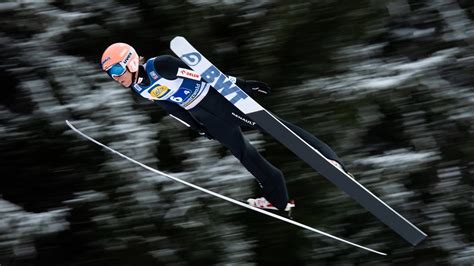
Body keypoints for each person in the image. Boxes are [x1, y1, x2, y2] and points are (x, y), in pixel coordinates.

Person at [100, 42, 350, 212]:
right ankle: (278, 199)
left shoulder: (161, 65)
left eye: (118, 69)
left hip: (218, 101)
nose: (117, 77)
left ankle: (328, 159)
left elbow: (205, 74)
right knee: (242, 152)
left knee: (275, 128)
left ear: (131, 61)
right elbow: (170, 106)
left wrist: (243, 85)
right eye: (111, 74)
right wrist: (196, 126)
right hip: (203, 114)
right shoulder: (139, 88)